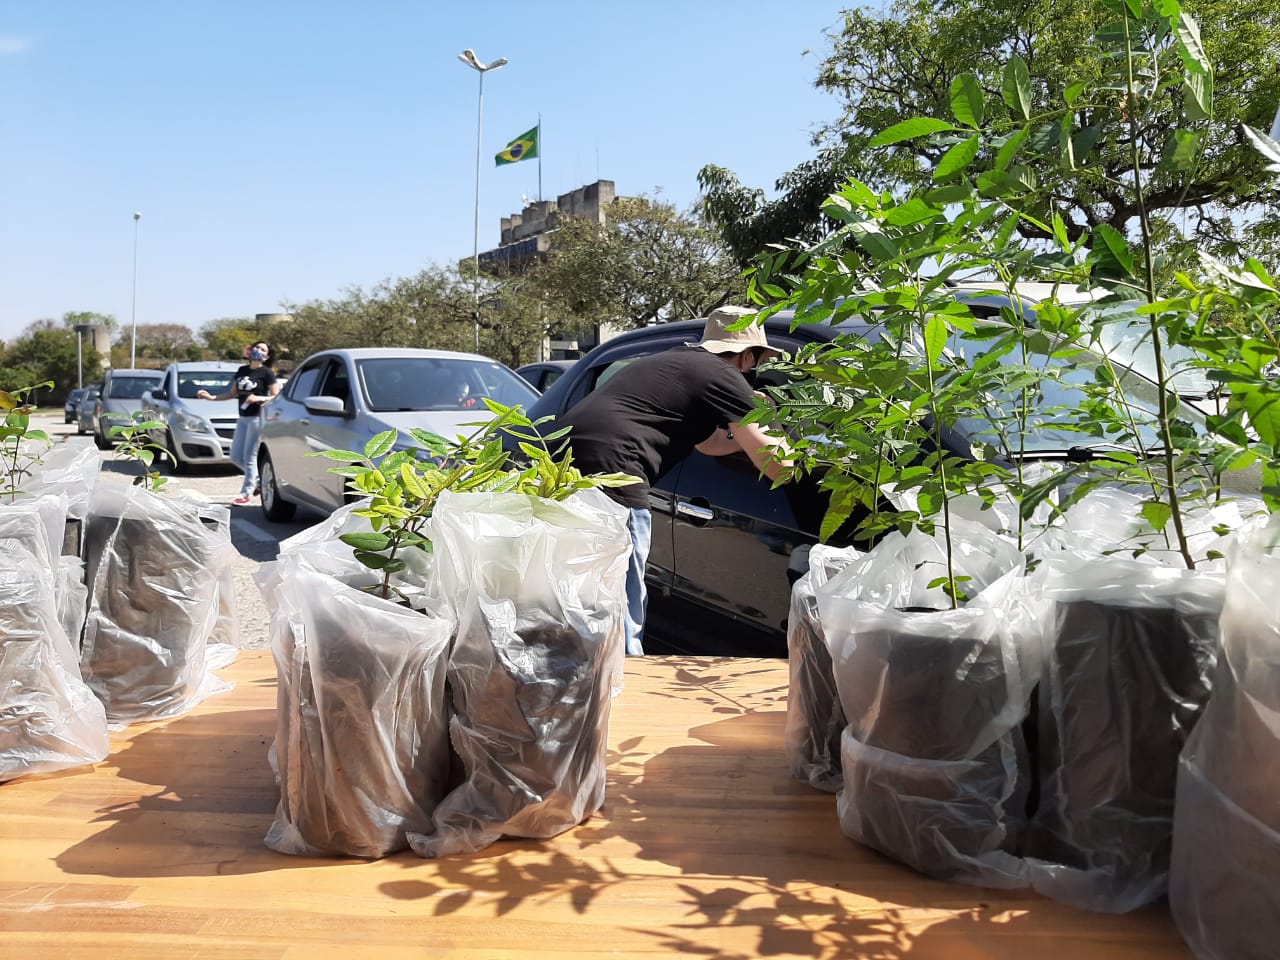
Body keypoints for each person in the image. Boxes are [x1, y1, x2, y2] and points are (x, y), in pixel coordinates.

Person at [555, 306, 793, 655]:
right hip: (616, 481)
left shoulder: (676, 362)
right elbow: (779, 467)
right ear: (747, 356)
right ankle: (626, 679)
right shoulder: (723, 375)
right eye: (757, 362)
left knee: (581, 601)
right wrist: (773, 424)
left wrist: (743, 435)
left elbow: (708, 443)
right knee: (621, 605)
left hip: (562, 475)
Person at [198, 341, 280, 505]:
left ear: (267, 356)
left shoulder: (266, 373)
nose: (258, 350)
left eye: (262, 349)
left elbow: (277, 396)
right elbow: (232, 393)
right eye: (256, 347)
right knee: (235, 456)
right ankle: (259, 480)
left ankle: (246, 494)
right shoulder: (242, 370)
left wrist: (258, 398)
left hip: (257, 418)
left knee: (249, 457)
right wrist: (211, 397)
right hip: (243, 418)